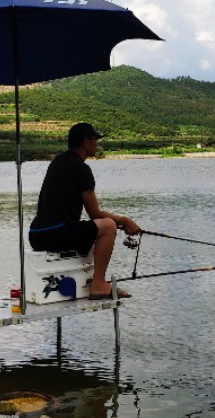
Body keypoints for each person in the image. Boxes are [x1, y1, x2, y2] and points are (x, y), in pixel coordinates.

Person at [28, 122, 142, 300]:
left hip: (36, 234)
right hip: (55, 234)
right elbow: (95, 214)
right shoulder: (81, 169)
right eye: (95, 140)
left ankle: (96, 282)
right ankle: (98, 284)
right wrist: (124, 221)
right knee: (109, 227)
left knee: (97, 226)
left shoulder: (58, 162)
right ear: (86, 143)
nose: (97, 144)